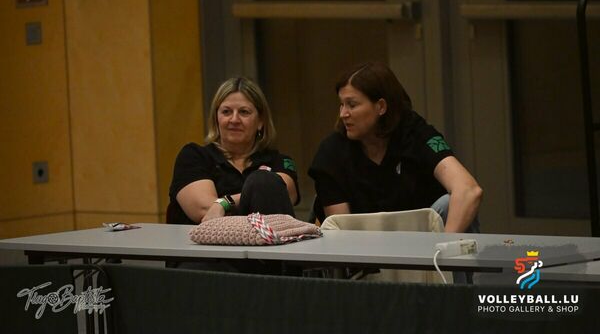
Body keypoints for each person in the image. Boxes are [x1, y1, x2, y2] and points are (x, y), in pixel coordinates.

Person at [308, 62, 482, 233]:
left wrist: (444, 245)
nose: (343, 114)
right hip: (362, 244)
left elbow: (469, 190)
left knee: (449, 203)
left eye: (352, 105)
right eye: (341, 104)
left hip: (425, 241)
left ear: (381, 107)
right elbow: (341, 231)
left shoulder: (416, 134)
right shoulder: (331, 153)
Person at [167, 77, 300, 226]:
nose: (234, 119)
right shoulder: (194, 156)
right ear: (216, 118)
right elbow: (207, 211)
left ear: (260, 121)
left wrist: (224, 203)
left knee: (263, 180)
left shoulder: (278, 161)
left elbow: (277, 195)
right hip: (206, 241)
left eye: (244, 112)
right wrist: (252, 197)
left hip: (265, 240)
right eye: (226, 112)